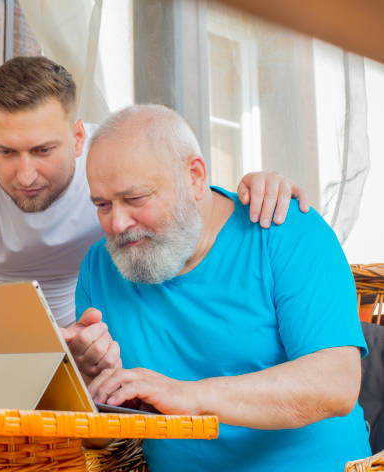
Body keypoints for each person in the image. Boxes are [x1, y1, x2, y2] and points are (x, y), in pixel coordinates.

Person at [0, 56, 308, 333]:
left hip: (83, 341)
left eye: (43, 150)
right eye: (5, 151)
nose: (25, 174)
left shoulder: (110, 157)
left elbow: (188, 195)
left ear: (78, 138)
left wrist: (256, 185)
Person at [71, 104, 371, 471]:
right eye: (103, 205)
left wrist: (188, 396)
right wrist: (86, 385)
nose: (117, 223)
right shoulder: (98, 267)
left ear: (195, 177)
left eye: (135, 199)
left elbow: (336, 383)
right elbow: (100, 439)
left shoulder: (286, 230)